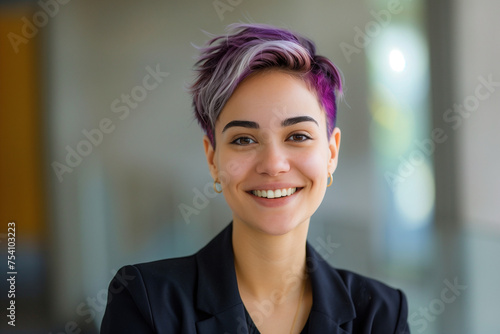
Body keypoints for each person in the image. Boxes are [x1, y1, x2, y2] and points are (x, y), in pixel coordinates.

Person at [101, 23, 410, 334]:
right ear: (213, 159)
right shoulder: (148, 304)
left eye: (298, 136)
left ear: (331, 154)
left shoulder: (380, 315)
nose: (273, 164)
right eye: (244, 140)